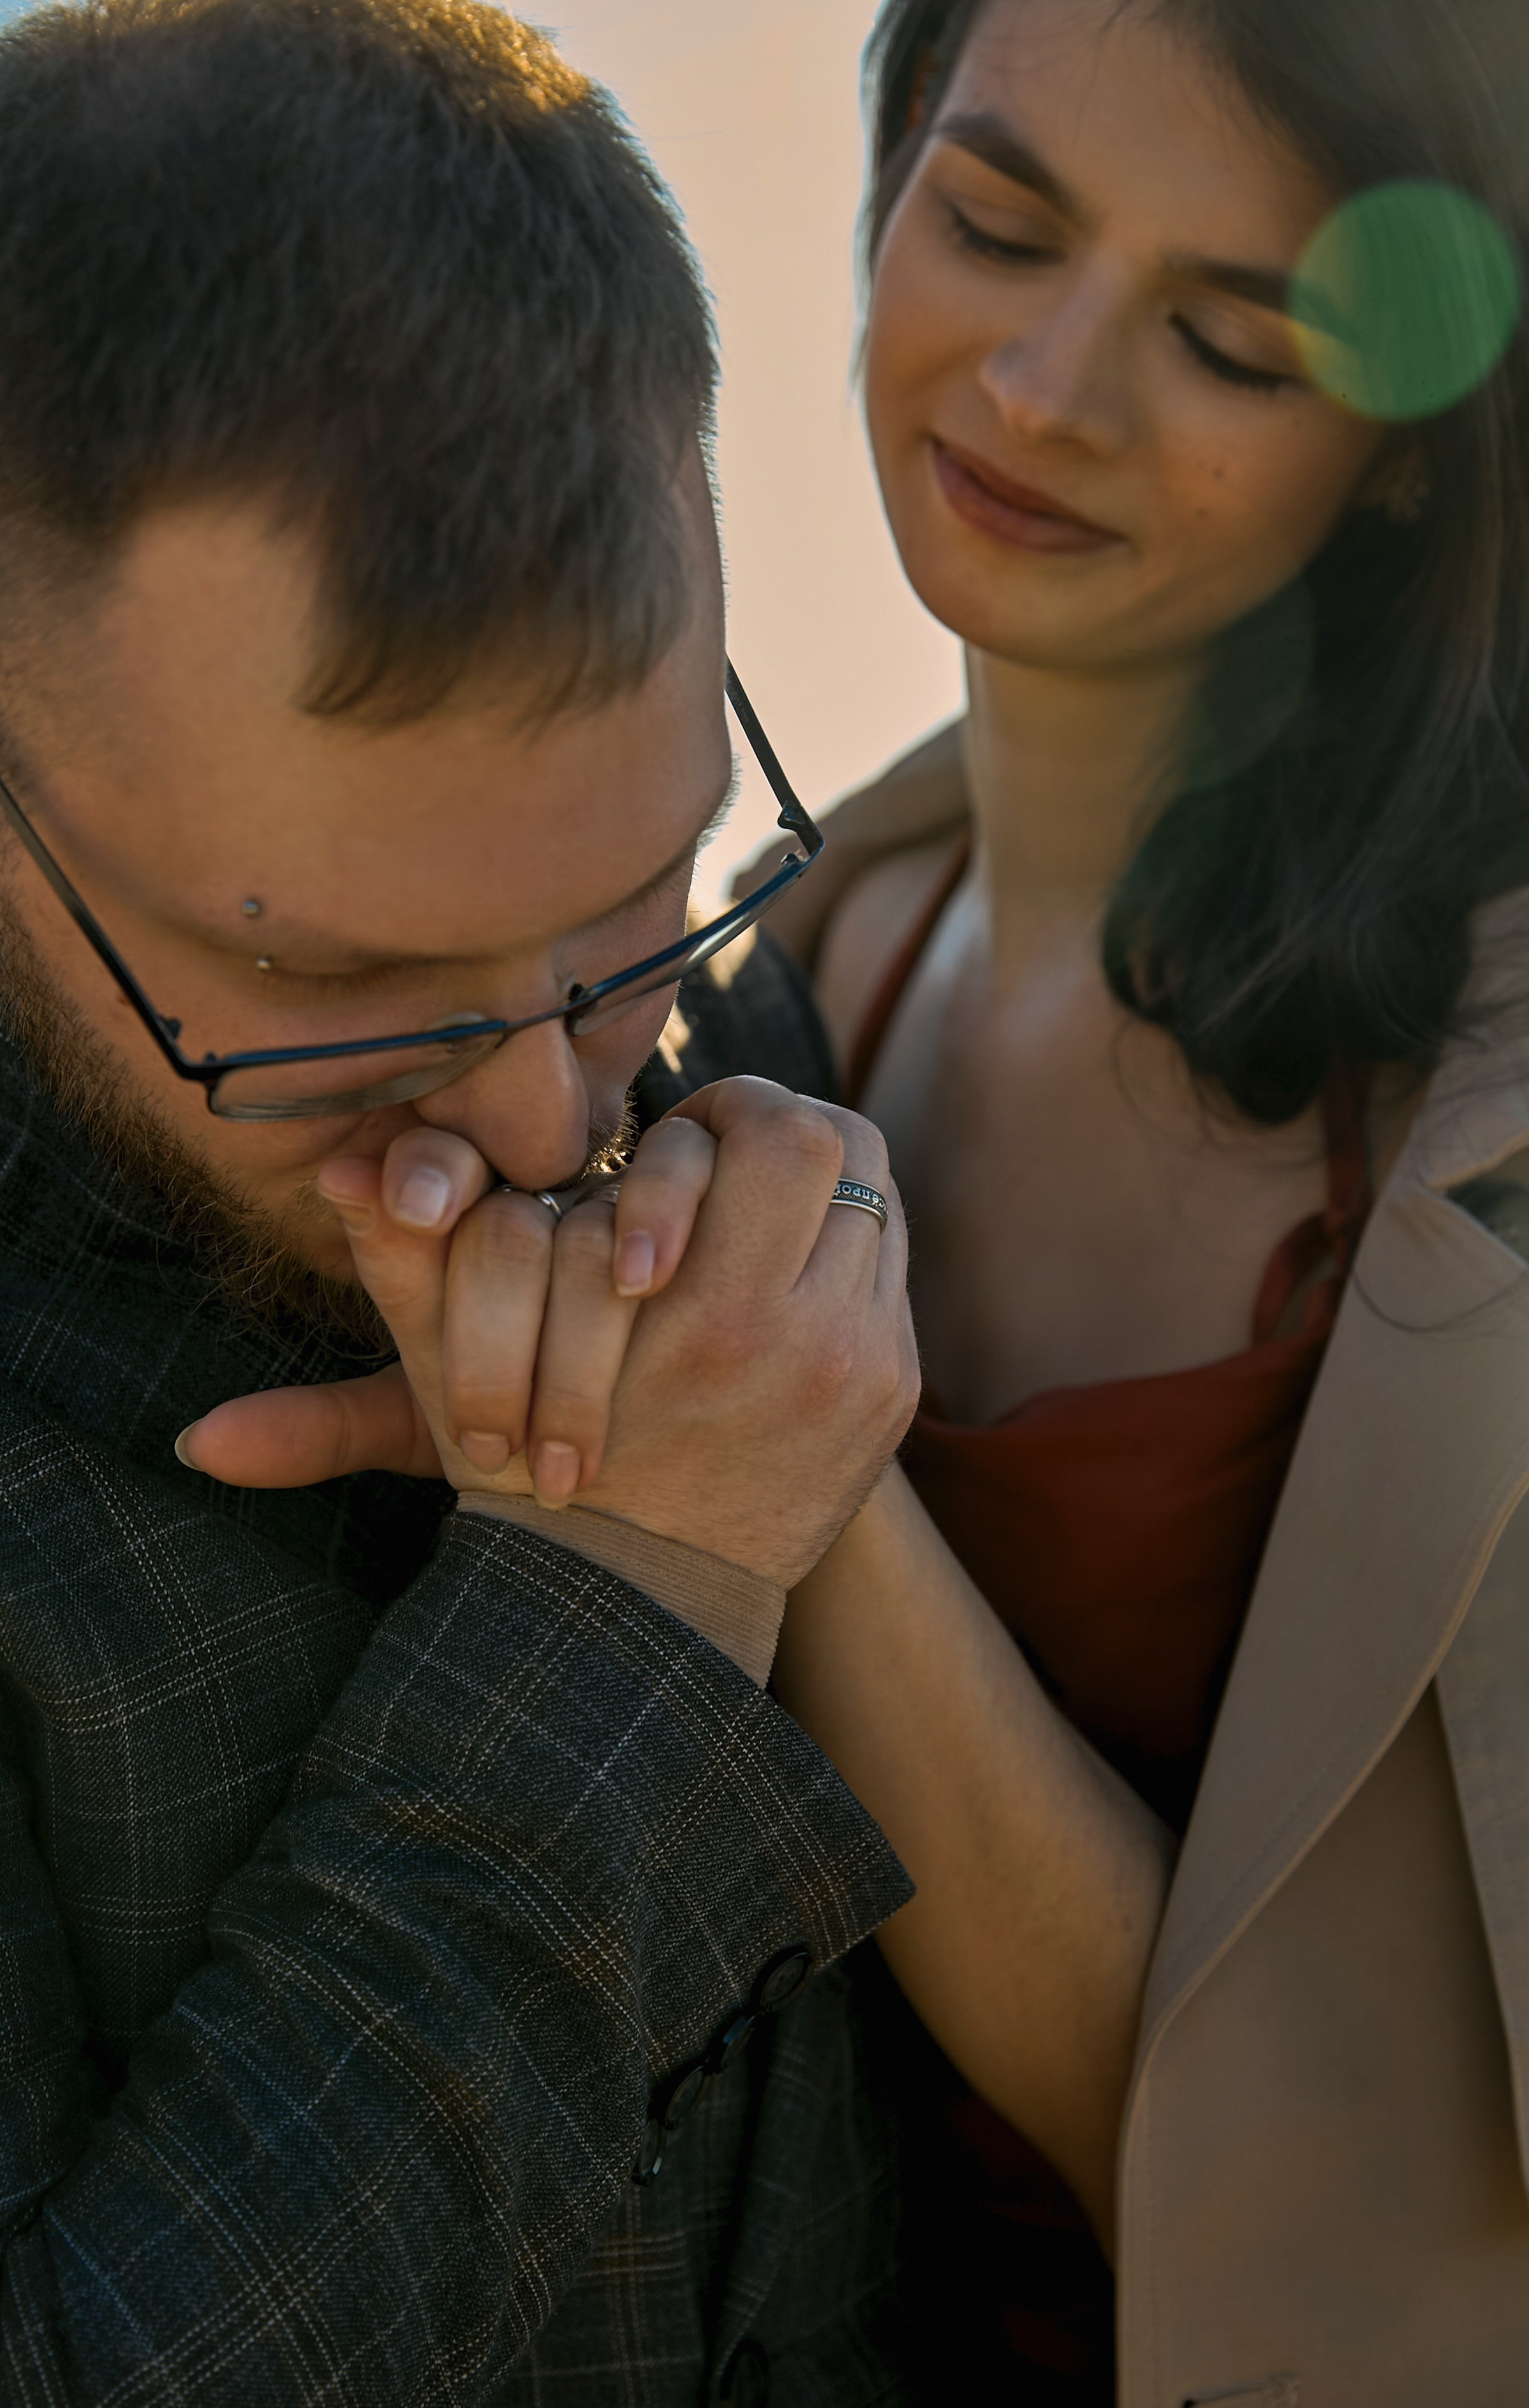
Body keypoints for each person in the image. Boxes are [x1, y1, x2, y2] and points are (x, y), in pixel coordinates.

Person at [0, 1, 934, 2394]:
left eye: (640, 896)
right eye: (340, 981)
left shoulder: (724, 1044)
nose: (551, 1116)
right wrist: (636, 1592)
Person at [741, 0, 1529, 2398]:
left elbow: (1317, 2215)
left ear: (1406, 459)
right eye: (993, 222)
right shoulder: (776, 962)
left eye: (1228, 340)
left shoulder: (1475, 1138)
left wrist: (775, 1470)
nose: (1051, 390)